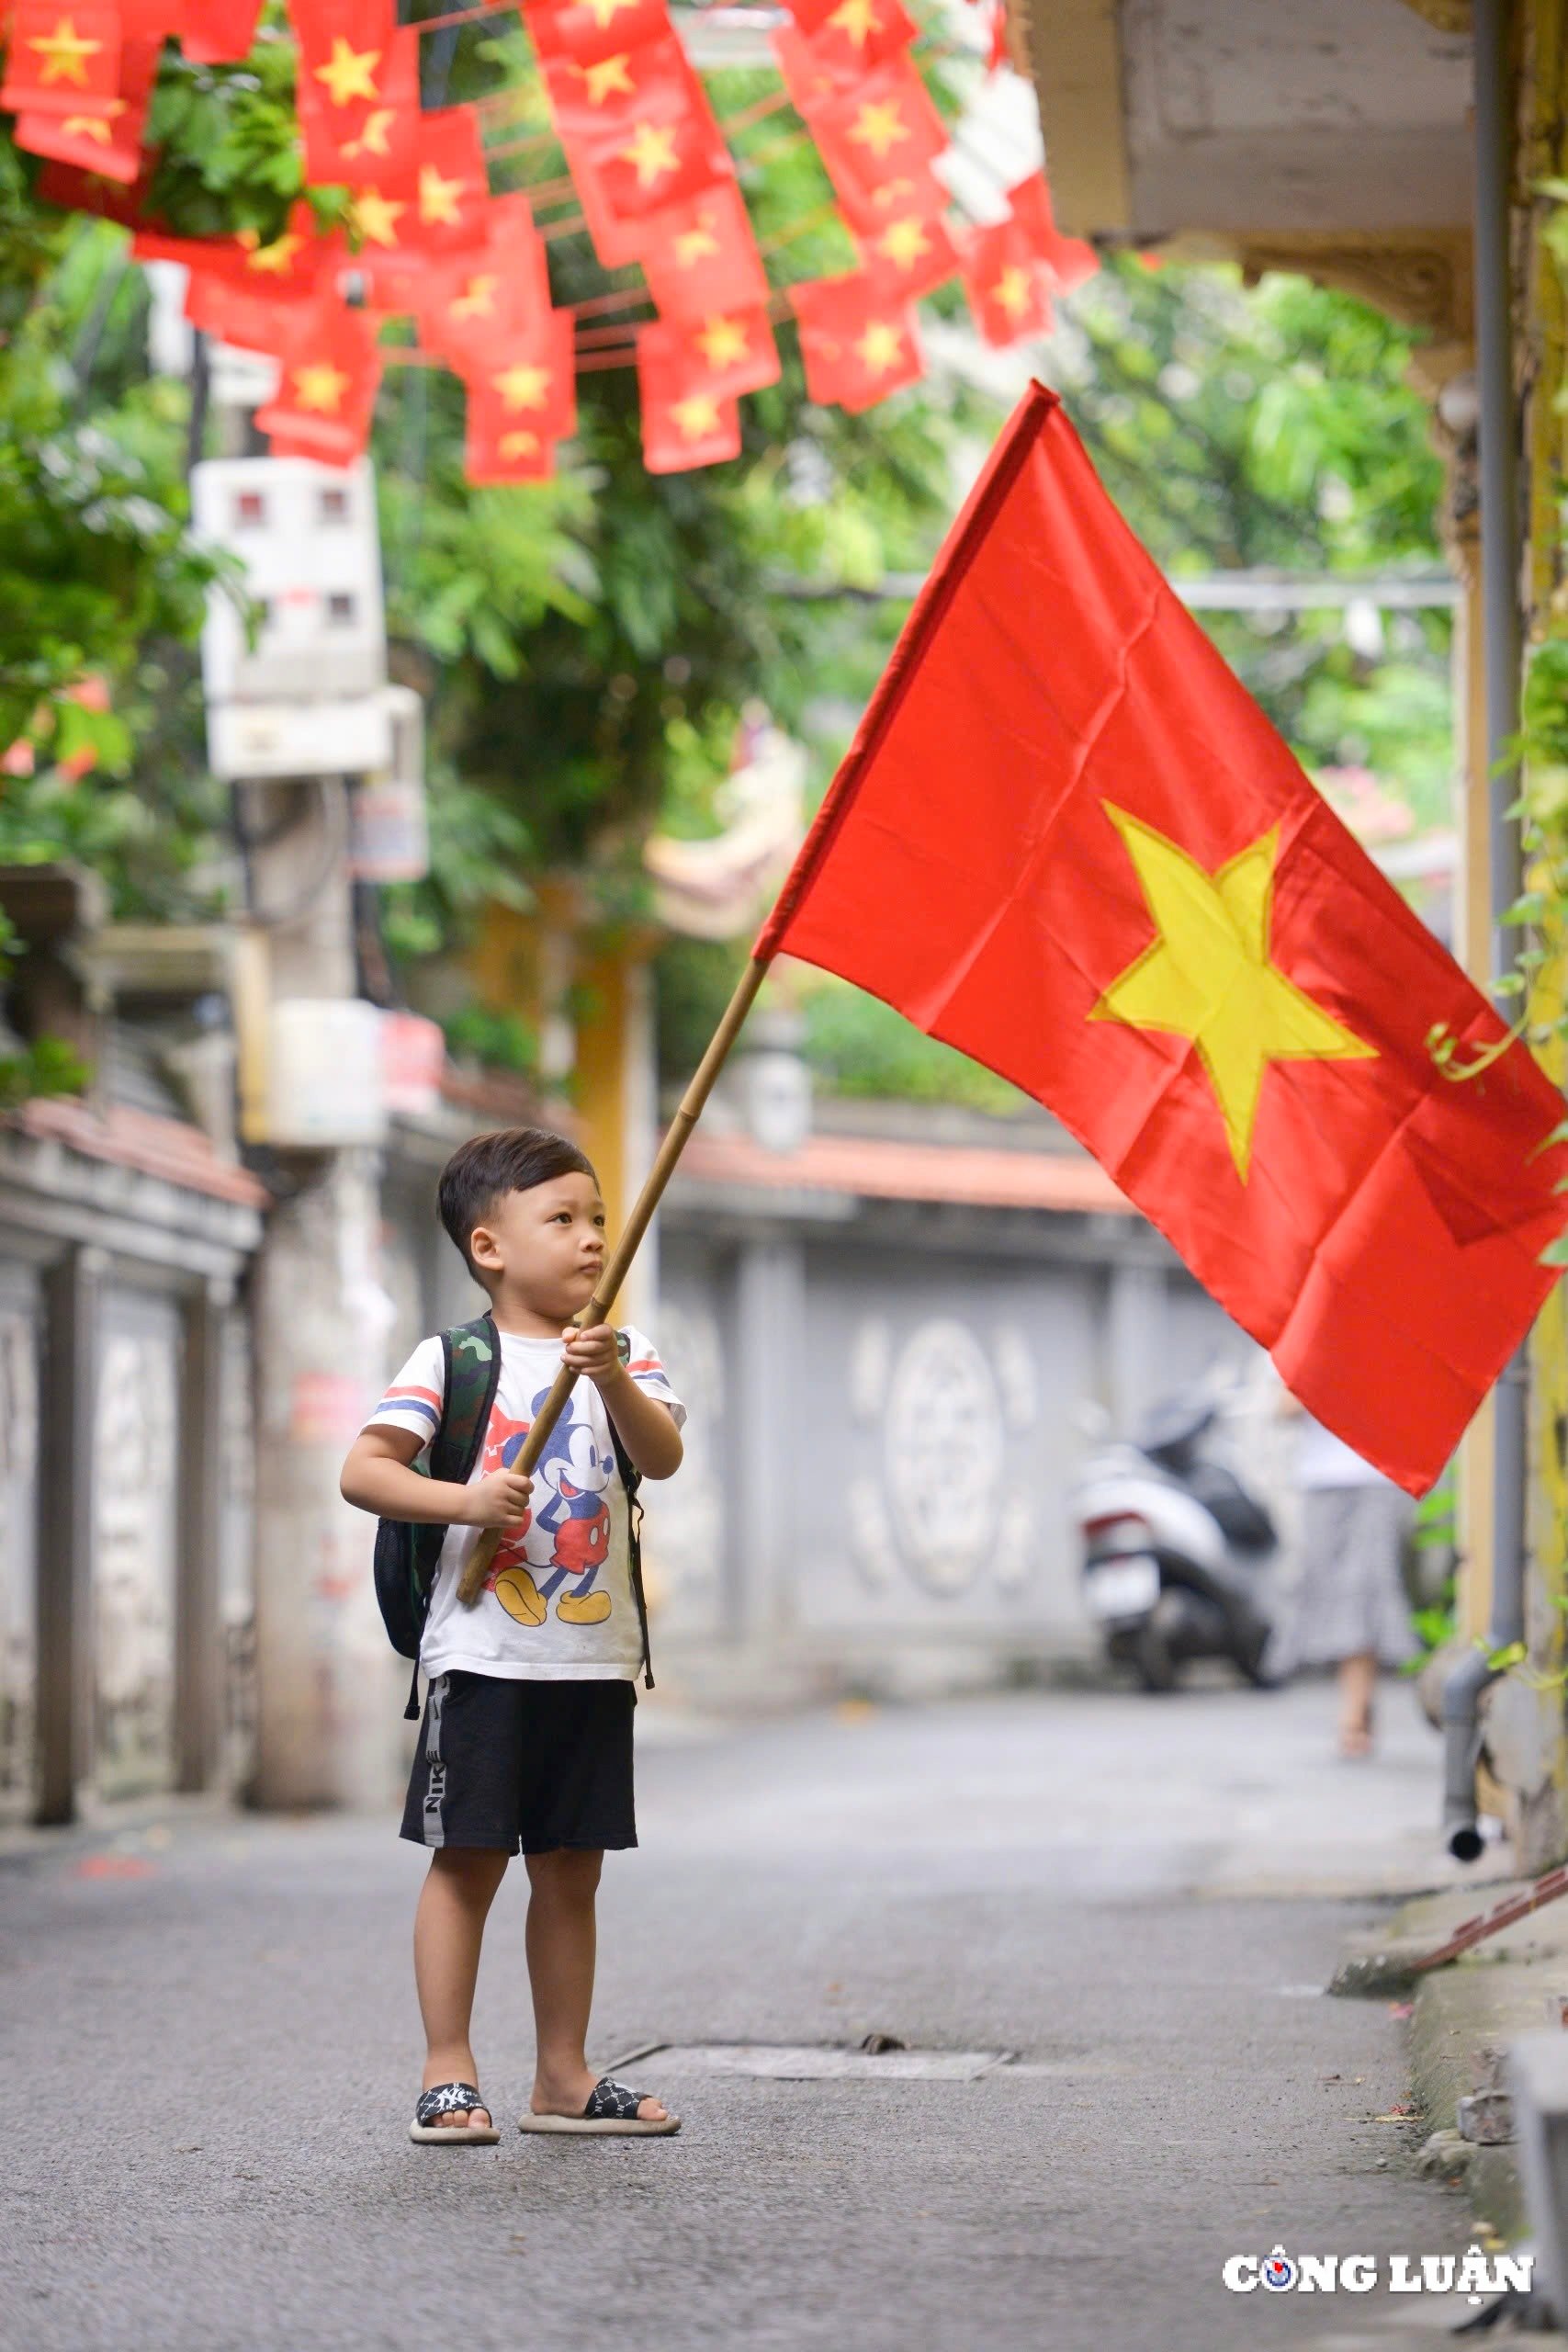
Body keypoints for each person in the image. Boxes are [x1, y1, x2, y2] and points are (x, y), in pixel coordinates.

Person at [340, 1125, 687, 2144]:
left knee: (572, 1867)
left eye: (598, 1222)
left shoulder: (628, 1352)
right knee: (467, 1861)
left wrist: (613, 1373)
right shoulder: (454, 1357)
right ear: (489, 1246)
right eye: (564, 1219)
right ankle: (448, 2068)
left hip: (592, 1660)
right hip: (481, 1657)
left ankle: (565, 2074)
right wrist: (465, 1498)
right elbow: (365, 1470)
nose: (590, 1241)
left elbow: (659, 1458)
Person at [1269, 1395, 1418, 1758]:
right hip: (1321, 1482)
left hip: (1377, 1477)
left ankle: (1352, 1713)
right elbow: (1283, 1408)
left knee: (1363, 1589)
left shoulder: (1390, 1341)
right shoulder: (1310, 1339)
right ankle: (1359, 1699)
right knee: (1331, 1594)